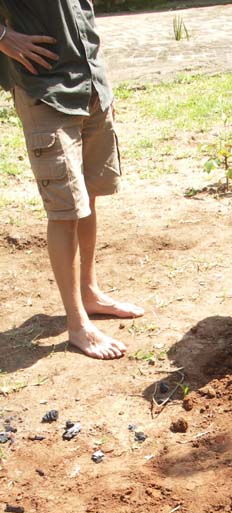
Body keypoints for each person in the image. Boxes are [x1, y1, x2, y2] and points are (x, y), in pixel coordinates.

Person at [0, 1, 143, 359]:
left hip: (89, 85)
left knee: (87, 197)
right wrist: (4, 37)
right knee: (64, 210)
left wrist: (101, 80)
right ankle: (77, 324)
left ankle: (89, 292)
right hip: (44, 90)